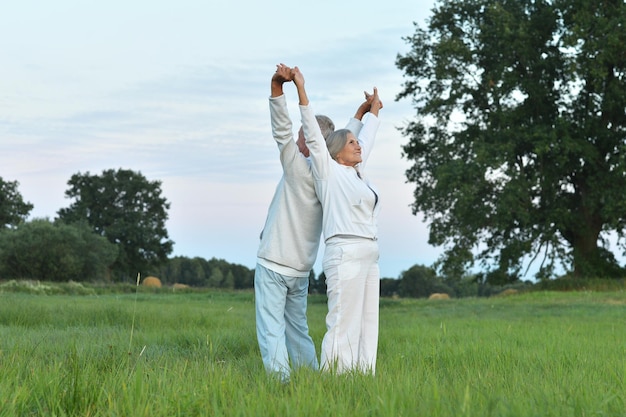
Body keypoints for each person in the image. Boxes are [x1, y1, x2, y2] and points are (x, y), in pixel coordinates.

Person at [254, 63, 376, 382]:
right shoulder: (332, 177)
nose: (295, 141)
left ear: (310, 142)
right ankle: (310, 379)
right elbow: (342, 142)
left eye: (300, 136)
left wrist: (277, 89)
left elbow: (281, 130)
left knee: (271, 331)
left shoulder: (297, 167)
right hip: (301, 269)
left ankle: (281, 384)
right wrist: (360, 116)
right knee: (298, 331)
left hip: (274, 262)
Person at [292, 66, 382, 374]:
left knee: (368, 323)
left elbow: (365, 136)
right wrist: (301, 89)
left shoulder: (356, 172)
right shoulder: (328, 173)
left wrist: (369, 113)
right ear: (336, 153)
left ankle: (362, 377)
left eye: (357, 144)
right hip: (344, 252)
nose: (358, 146)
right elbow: (316, 138)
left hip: (370, 254)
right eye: (351, 144)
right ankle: (333, 381)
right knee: (343, 321)